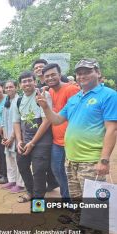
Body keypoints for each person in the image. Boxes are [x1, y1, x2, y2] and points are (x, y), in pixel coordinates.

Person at [36, 58, 117, 234]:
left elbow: (112, 129)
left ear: (97, 72)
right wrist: (45, 106)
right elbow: (57, 120)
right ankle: (81, 230)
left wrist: (104, 160)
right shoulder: (75, 98)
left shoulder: (108, 95)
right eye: (79, 73)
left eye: (87, 72)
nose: (82, 76)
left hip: (91, 160)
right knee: (78, 199)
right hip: (71, 159)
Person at [42, 63, 80, 201]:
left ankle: (75, 199)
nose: (50, 78)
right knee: (57, 169)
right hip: (57, 140)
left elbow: (77, 115)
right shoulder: (50, 92)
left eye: (53, 74)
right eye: (47, 76)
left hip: (71, 140)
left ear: (59, 74)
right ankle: (66, 196)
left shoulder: (72, 89)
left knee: (73, 173)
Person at [13, 71, 53, 202]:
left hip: (42, 140)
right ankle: (30, 192)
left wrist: (33, 142)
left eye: (30, 80)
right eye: (24, 81)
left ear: (34, 82)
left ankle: (38, 200)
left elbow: (47, 120)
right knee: (22, 165)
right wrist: (19, 141)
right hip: (25, 139)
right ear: (20, 85)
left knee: (39, 170)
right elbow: (16, 122)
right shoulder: (18, 100)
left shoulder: (43, 95)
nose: (27, 83)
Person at [32, 59, 59, 192]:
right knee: (49, 159)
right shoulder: (38, 86)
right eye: (36, 68)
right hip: (49, 126)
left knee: (54, 162)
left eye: (41, 67)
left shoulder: (57, 82)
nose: (39, 69)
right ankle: (53, 182)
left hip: (58, 126)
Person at [0, 80, 24, 193]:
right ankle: (12, 180)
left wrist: (11, 138)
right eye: (7, 87)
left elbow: (17, 122)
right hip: (7, 137)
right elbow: (4, 120)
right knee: (9, 159)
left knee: (17, 160)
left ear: (16, 87)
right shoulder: (7, 101)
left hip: (15, 137)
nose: (9, 89)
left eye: (11, 87)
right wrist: (5, 138)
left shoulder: (19, 100)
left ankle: (20, 184)